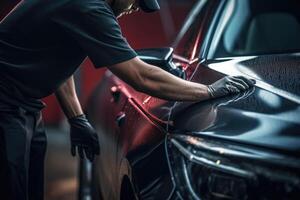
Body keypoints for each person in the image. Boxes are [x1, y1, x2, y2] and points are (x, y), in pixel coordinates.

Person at [0, 0, 255, 199]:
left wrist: (77, 118)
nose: (136, 8)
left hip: (25, 106)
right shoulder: (89, 8)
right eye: (135, 1)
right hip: (5, 104)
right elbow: (141, 75)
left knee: (28, 190)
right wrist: (208, 91)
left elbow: (57, 64)